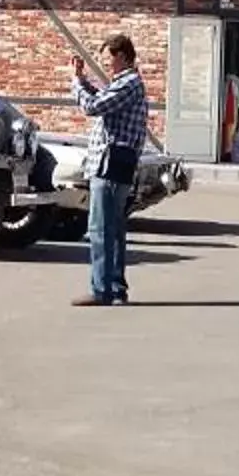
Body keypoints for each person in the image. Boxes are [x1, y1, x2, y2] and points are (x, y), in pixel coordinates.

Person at [68, 34, 149, 307]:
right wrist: (83, 80)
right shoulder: (126, 84)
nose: (105, 64)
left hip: (111, 162)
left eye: (107, 58)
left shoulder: (128, 84)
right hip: (117, 161)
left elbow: (93, 106)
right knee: (112, 228)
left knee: (101, 228)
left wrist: (76, 84)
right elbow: (102, 99)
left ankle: (102, 289)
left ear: (121, 56)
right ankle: (115, 288)